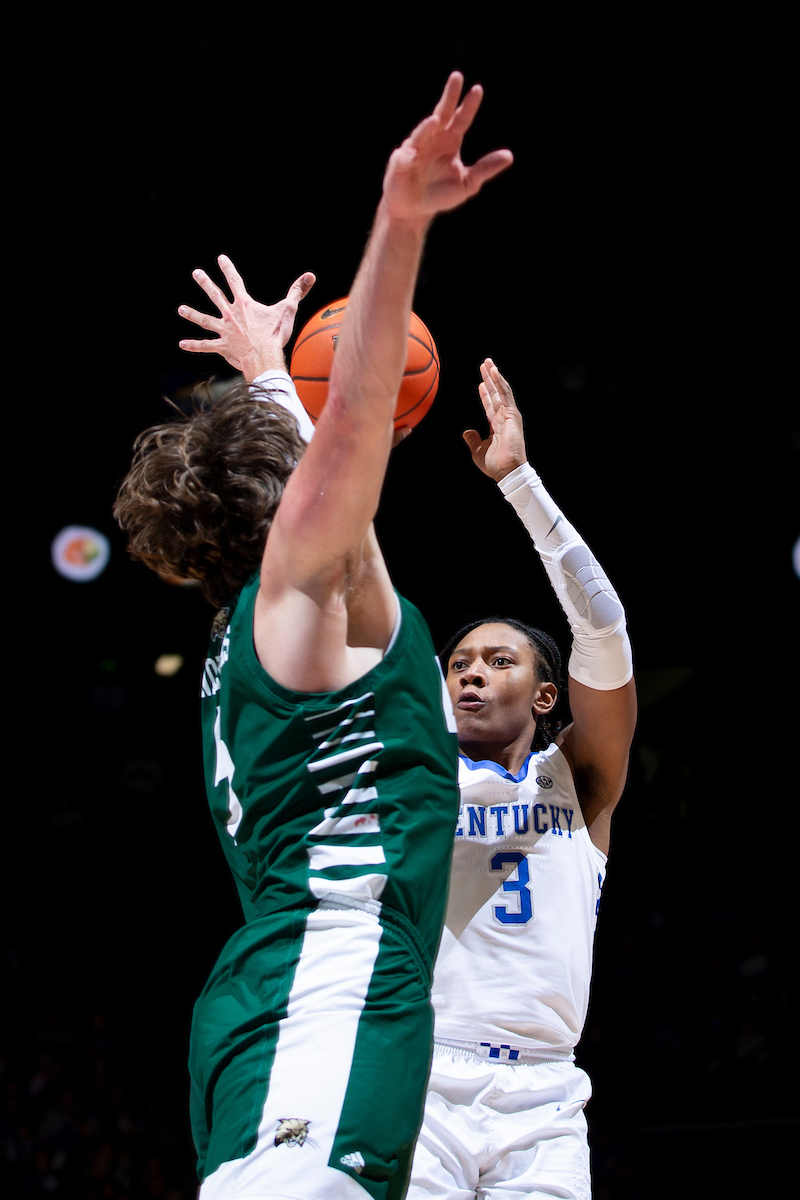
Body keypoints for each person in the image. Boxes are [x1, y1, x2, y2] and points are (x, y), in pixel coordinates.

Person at [113, 75, 512, 1200]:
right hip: (323, 987)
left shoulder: (288, 627)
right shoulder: (298, 593)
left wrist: (259, 373)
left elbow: (331, 476)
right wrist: (398, 220)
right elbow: (349, 429)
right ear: (282, 511)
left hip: (300, 992)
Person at [407, 360, 637, 1200]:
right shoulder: (415, 776)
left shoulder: (576, 782)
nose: (470, 674)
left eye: (497, 660)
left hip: (543, 1098)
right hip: (422, 1078)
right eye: (458, 663)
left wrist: (522, 486)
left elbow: (603, 629)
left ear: (546, 693)